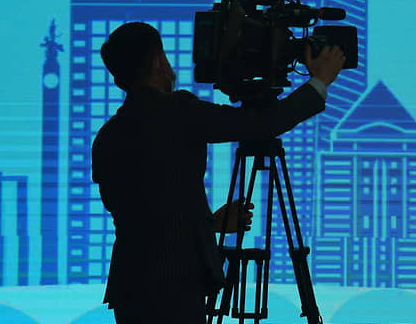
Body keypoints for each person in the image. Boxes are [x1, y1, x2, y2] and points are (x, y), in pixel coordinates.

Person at [91, 21, 346, 324]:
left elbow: (144, 215)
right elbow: (264, 124)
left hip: (130, 287)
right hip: (176, 286)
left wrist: (209, 224)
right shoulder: (177, 110)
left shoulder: (107, 136)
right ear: (159, 61)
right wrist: (319, 82)